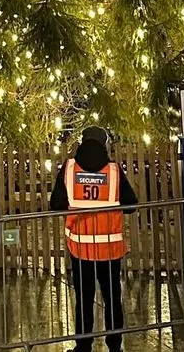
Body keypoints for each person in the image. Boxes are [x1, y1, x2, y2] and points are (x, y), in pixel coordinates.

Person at [49, 126, 138, 352]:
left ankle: (83, 346)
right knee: (112, 299)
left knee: (84, 300)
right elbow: (131, 204)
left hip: (80, 249)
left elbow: (56, 203)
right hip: (109, 249)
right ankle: (115, 347)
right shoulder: (114, 171)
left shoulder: (69, 169)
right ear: (104, 143)